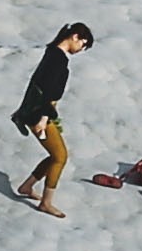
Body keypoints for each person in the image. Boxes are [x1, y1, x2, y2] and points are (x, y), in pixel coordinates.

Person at [11, 21, 92, 216]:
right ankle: (46, 203)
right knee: (60, 157)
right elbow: (46, 91)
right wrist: (44, 119)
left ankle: (27, 187)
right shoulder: (58, 59)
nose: (81, 49)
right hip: (40, 114)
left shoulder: (52, 53)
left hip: (38, 112)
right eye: (83, 44)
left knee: (55, 155)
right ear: (75, 37)